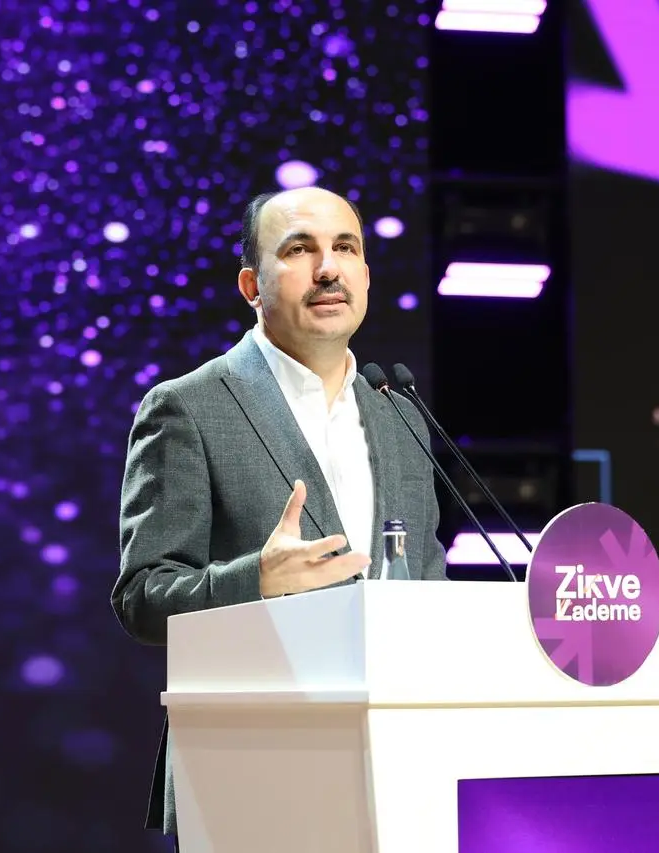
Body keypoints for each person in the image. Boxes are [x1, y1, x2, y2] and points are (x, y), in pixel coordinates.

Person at [112, 186, 448, 849]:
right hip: (249, 772)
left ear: (365, 274)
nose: (327, 268)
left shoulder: (402, 413)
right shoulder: (188, 407)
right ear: (251, 285)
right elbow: (142, 597)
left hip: (402, 768)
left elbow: (425, 584)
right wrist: (257, 581)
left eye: (344, 248)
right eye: (298, 250)